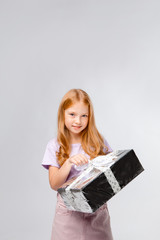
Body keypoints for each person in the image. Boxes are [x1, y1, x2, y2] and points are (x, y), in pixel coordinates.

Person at [42, 88, 114, 240]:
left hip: (97, 213)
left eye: (84, 116)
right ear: (63, 114)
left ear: (90, 117)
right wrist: (68, 163)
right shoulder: (55, 146)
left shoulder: (99, 143)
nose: (78, 121)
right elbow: (54, 184)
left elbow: (112, 175)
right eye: (72, 114)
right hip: (68, 216)